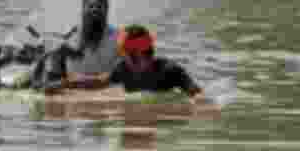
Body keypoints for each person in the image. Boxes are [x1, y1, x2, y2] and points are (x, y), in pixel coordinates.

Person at [59, 24, 204, 98]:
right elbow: (98, 82)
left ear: (140, 53)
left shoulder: (170, 71)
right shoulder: (124, 69)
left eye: (127, 54)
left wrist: (200, 101)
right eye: (123, 55)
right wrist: (66, 84)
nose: (123, 59)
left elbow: (195, 92)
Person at [35, 0, 121, 90]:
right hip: (69, 91)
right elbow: (48, 83)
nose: (94, 10)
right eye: (90, 6)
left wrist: (68, 83)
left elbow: (111, 78)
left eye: (98, 6)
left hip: (104, 91)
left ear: (106, 9)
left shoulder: (118, 38)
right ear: (83, 9)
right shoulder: (68, 37)